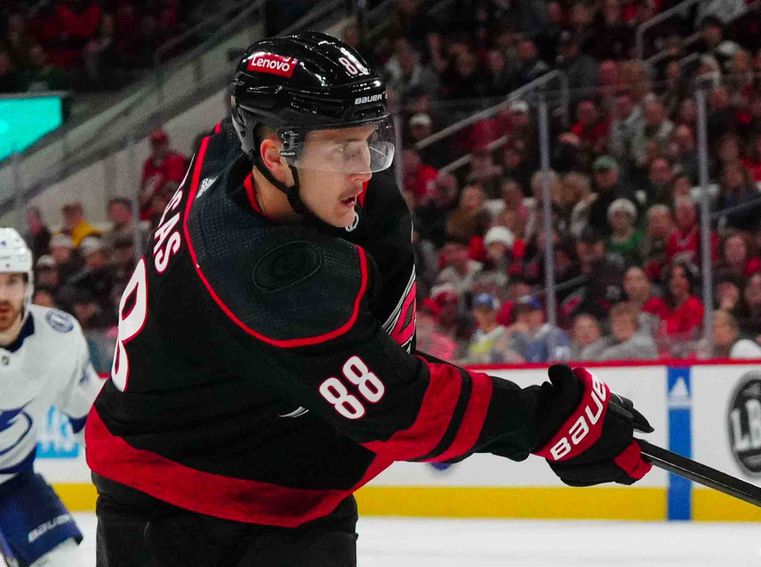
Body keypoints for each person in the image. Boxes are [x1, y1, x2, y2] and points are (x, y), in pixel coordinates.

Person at [86, 33, 653, 567]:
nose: (364, 170)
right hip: (171, 503)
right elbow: (398, 407)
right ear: (275, 156)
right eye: (340, 150)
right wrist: (546, 420)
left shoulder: (230, 159)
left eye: (367, 141)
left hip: (288, 467)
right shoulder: (266, 276)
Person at [0, 228, 103, 567]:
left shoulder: (59, 339)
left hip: (14, 484)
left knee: (63, 562)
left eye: (12, 281)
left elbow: (92, 422)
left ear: (28, 284)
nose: (3, 295)